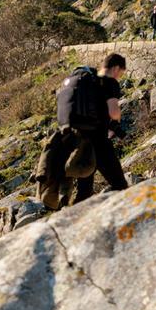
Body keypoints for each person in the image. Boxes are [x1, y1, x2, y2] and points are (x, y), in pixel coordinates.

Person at [39, 54, 129, 209]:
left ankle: (73, 221)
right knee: (119, 183)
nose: (119, 77)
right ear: (115, 68)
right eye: (121, 73)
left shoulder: (87, 82)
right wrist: (114, 124)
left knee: (85, 187)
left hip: (75, 139)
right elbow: (114, 111)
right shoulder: (108, 82)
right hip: (97, 140)